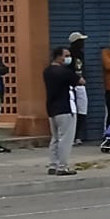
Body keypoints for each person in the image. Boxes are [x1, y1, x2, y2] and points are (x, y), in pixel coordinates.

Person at [43, 44, 78, 175]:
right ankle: (62, 166)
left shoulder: (47, 71)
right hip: (65, 108)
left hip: (51, 108)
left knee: (55, 138)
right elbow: (80, 81)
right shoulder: (65, 72)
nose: (68, 59)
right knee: (65, 139)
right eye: (66, 56)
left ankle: (53, 164)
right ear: (59, 57)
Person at [66, 30, 90, 143]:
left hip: (81, 85)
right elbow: (67, 71)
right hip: (71, 86)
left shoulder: (81, 54)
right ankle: (71, 135)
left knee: (82, 109)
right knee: (72, 110)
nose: (83, 43)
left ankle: (78, 134)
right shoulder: (69, 55)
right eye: (81, 41)